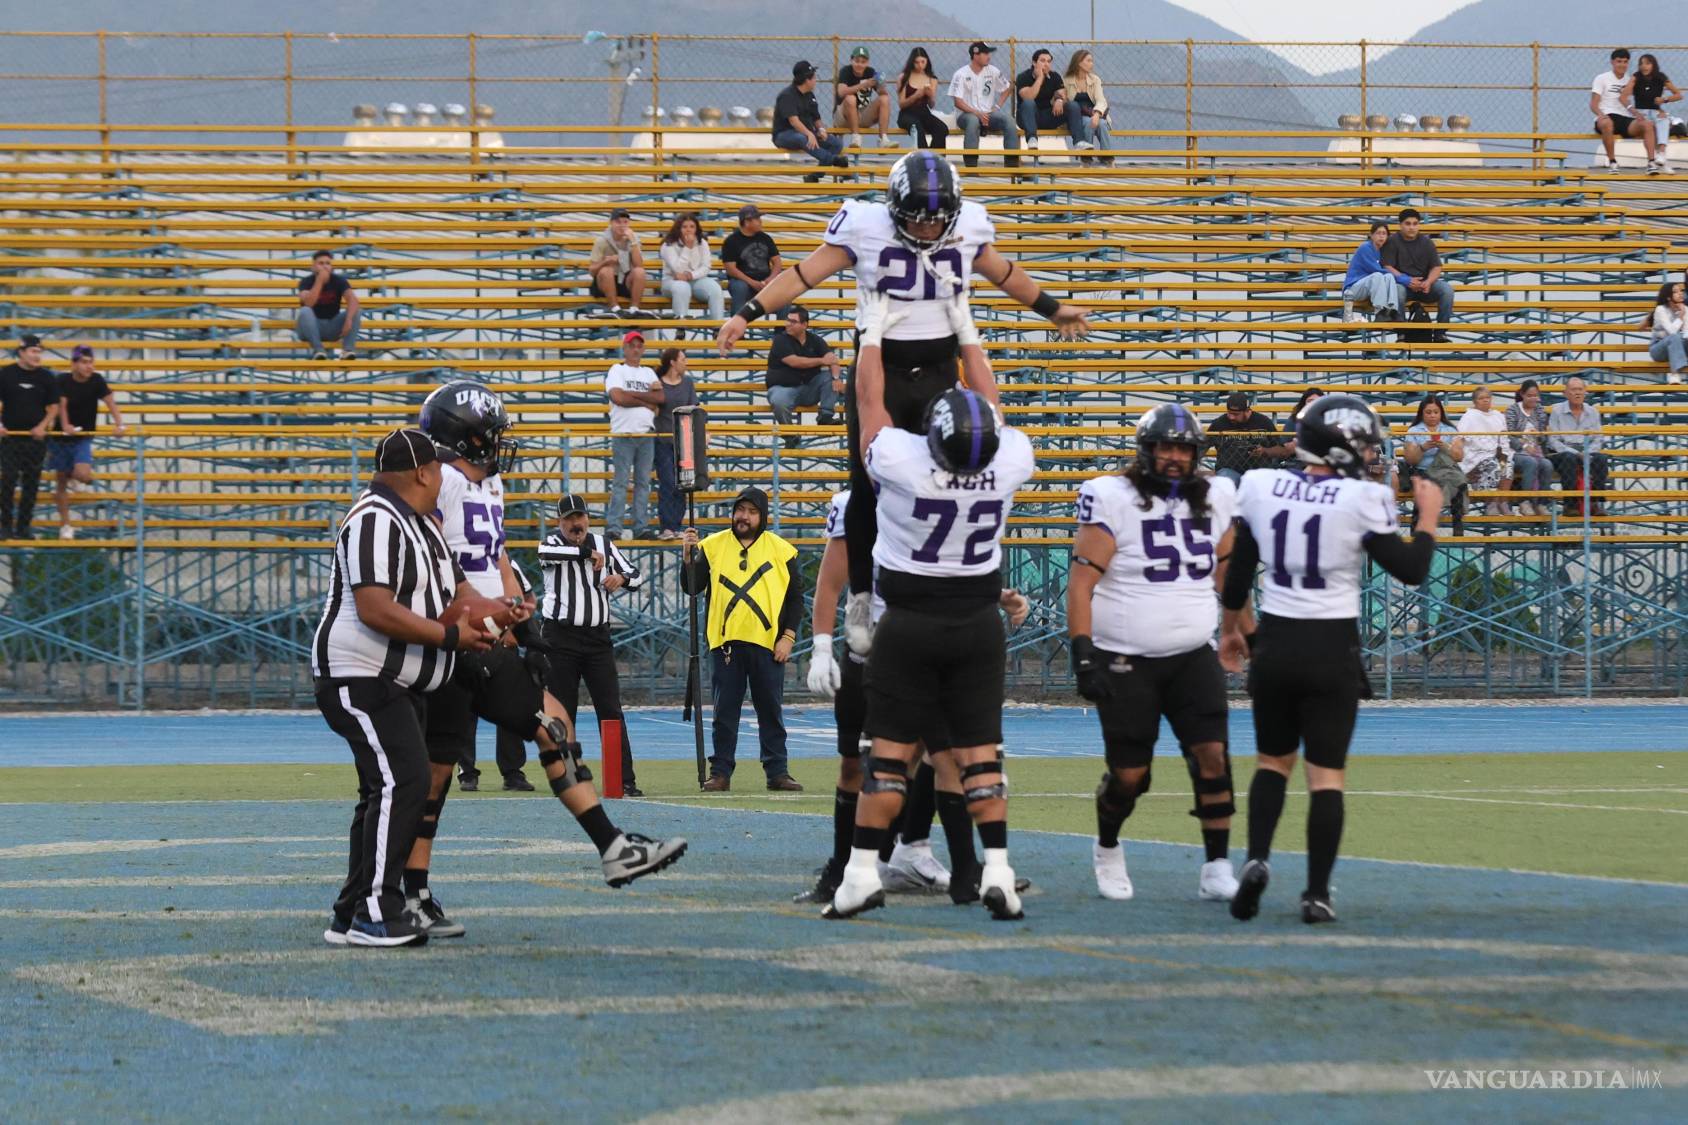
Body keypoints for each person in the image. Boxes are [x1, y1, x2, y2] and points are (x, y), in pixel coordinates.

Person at [715, 151, 1087, 656]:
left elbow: (1004, 272)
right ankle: (864, 595)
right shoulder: (865, 224)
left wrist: (1052, 308)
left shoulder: (970, 224)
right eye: (916, 217)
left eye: (937, 220)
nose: (928, 230)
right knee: (869, 485)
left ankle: (958, 587)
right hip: (881, 366)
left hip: (939, 369)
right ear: (894, 208)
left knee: (952, 474)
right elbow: (804, 274)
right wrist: (748, 312)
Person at [402, 385, 685, 940]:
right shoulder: (443, 481)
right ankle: (611, 845)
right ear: (465, 435)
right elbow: (436, 559)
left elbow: (498, 556)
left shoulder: (489, 482)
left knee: (480, 753)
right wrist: (483, 621)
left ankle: (414, 891)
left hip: (485, 633)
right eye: (491, 433)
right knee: (468, 760)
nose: (499, 444)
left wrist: (522, 626)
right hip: (460, 635)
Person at [1220, 395, 1442, 925]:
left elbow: (1237, 575)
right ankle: (1316, 893)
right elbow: (1409, 568)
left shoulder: (1261, 487)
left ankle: (1255, 860)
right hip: (1331, 648)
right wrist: (1428, 516)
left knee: (1273, 763)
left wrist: (1231, 630)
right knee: (1326, 777)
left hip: (1275, 643)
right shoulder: (1362, 498)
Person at [825, 388, 1037, 922]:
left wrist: (872, 337)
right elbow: (833, 580)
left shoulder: (894, 465)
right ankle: (983, 868)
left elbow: (874, 409)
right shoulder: (1002, 461)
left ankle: (885, 866)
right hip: (938, 625)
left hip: (903, 627)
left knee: (907, 758)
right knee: (962, 758)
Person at [312, 428, 493, 947]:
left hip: (393, 678)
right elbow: (375, 607)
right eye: (440, 467)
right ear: (422, 473)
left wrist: (504, 615)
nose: (446, 476)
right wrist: (449, 636)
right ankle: (376, 910)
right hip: (359, 673)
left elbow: (458, 597)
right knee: (404, 782)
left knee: (385, 789)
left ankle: (351, 911)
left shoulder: (421, 526)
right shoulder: (374, 517)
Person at [1068, 404, 1245, 904]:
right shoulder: (1112, 496)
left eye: (1182, 449)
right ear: (1146, 451)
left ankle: (1216, 864)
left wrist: (1242, 634)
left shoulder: (1216, 496)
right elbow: (1082, 583)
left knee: (1213, 757)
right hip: (1125, 657)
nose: (1172, 457)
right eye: (1164, 447)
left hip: (1192, 654)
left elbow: (1228, 575)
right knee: (1130, 775)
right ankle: (1107, 846)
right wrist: (1083, 653)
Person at [796, 488, 993, 906]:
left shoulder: (941, 491)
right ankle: (843, 867)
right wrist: (821, 647)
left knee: (944, 756)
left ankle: (951, 865)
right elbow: (830, 583)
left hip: (925, 650)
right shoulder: (855, 503)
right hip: (870, 651)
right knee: (855, 763)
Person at [679, 487, 805, 793]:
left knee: (770, 712)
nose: (743, 517)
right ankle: (720, 772)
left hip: (768, 644)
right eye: (740, 510)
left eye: (751, 511)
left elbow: (795, 599)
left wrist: (787, 637)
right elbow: (692, 587)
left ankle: (777, 771)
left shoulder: (782, 550)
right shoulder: (711, 546)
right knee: (724, 714)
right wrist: (687, 557)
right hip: (725, 644)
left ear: (761, 516)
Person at [539, 492, 645, 798]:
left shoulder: (604, 545)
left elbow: (636, 575)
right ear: (559, 522)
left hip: (597, 639)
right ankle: (568, 779)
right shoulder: (552, 544)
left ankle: (624, 779)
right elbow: (546, 554)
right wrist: (587, 554)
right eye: (569, 519)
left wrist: (620, 580)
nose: (576, 523)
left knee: (610, 710)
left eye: (580, 517)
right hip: (560, 638)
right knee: (562, 713)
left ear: (588, 519)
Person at [49, 346, 124, 541]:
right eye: (84, 362)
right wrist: (65, 425)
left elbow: (111, 402)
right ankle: (66, 524)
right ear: (73, 364)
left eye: (90, 362)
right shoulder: (63, 380)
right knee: (61, 483)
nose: (89, 366)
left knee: (82, 474)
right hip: (60, 437)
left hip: (83, 436)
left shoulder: (97, 380)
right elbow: (62, 405)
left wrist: (119, 424)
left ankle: (76, 474)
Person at [604, 330, 664, 540]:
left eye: (639, 345)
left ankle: (640, 526)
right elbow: (617, 397)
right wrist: (646, 401)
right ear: (625, 348)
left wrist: (636, 396)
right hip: (623, 433)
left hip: (646, 435)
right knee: (621, 482)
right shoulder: (616, 369)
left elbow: (661, 397)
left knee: (642, 483)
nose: (636, 349)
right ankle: (614, 526)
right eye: (632, 345)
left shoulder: (648, 372)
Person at [0, 334, 59, 541]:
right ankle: (5, 526)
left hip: (35, 440)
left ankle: (24, 528)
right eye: (34, 351)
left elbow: (54, 407)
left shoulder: (46, 377)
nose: (37, 356)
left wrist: (42, 426)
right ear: (22, 352)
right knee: (7, 480)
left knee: (31, 485)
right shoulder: (6, 374)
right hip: (11, 438)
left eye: (39, 352)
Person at [766, 305, 843, 445]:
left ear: (804, 325)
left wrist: (836, 378)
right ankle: (790, 436)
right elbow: (795, 362)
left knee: (831, 377)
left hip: (808, 388)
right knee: (778, 399)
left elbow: (833, 360)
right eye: (787, 320)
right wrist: (822, 360)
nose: (787, 324)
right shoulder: (780, 340)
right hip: (784, 389)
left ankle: (825, 417)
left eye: (793, 321)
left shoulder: (815, 340)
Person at [1380, 208, 1454, 341]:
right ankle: (1401, 332)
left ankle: (1440, 333)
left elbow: (1437, 267)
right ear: (1400, 225)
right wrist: (1406, 280)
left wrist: (1429, 282)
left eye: (1415, 224)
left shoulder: (1427, 243)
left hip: (1424, 286)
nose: (1412, 227)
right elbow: (1387, 266)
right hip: (1403, 285)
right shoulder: (1392, 241)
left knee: (1447, 290)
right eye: (1407, 224)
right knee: (1397, 290)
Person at [1403, 395, 1469, 534]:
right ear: (1422, 413)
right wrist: (1423, 448)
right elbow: (1410, 460)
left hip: (1446, 469)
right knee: (1426, 487)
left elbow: (1459, 457)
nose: (1432, 416)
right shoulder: (1414, 431)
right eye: (1428, 412)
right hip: (1423, 470)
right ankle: (1416, 531)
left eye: (1436, 412)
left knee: (1457, 481)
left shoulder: (1450, 430)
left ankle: (1457, 523)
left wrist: (1446, 447)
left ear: (1441, 413)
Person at [650, 347, 698, 540]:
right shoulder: (658, 383)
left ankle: (676, 524)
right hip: (663, 439)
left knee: (682, 483)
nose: (685, 363)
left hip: (683, 440)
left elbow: (694, 407)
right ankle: (666, 526)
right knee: (668, 482)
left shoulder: (687, 383)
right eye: (683, 359)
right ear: (673, 362)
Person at [949, 41, 1020, 170]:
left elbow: (1008, 87)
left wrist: (997, 107)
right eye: (985, 53)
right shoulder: (961, 74)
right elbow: (957, 102)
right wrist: (977, 113)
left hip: (988, 114)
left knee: (1009, 121)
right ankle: (971, 166)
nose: (989, 56)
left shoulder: (993, 71)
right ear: (975, 55)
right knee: (972, 121)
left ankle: (1012, 165)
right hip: (966, 115)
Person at [773, 60, 848, 179]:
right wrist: (809, 134)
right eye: (814, 77)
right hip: (784, 135)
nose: (816, 80)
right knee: (801, 137)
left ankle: (815, 176)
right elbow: (794, 121)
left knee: (835, 143)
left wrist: (821, 129)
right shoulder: (787, 96)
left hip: (806, 134)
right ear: (807, 80)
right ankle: (832, 159)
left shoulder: (809, 95)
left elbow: (816, 118)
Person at [1547, 376, 1608, 516]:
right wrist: (1575, 453)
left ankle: (1595, 503)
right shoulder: (1557, 411)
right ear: (1566, 393)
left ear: (1585, 392)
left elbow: (1599, 438)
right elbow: (1553, 440)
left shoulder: (1593, 412)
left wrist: (1587, 452)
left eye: (1580, 389)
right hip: (1563, 452)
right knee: (1569, 458)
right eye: (1573, 389)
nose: (1577, 393)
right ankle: (1570, 505)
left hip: (1587, 449)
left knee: (1601, 459)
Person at [1592, 48, 1657, 172]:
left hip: (1624, 118)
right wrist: (1601, 114)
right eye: (1619, 61)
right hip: (1606, 116)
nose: (1622, 65)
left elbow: (1637, 99)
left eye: (1625, 62)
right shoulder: (1602, 78)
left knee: (1647, 124)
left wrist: (1640, 113)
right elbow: (1593, 103)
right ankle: (1612, 162)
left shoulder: (1630, 79)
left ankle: (1651, 163)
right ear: (1612, 62)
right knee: (1607, 123)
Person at [658, 212, 725, 326]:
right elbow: (678, 269)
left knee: (715, 289)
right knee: (682, 287)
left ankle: (718, 327)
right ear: (678, 228)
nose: (688, 230)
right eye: (684, 227)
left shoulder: (702, 243)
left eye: (692, 227)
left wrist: (691, 275)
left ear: (696, 229)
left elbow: (706, 266)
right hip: (672, 281)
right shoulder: (668, 245)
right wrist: (688, 248)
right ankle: (681, 325)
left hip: (696, 280)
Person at [1205, 391, 1287, 483]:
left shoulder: (1263, 422)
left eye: (1236, 414)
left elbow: (1281, 450)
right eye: (1229, 413)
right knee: (1225, 481)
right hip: (1228, 470)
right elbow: (1202, 446)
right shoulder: (1219, 424)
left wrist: (1264, 451)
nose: (1231, 417)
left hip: (1258, 471)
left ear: (1247, 411)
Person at [1015, 49, 1087, 152]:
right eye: (1043, 61)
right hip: (1027, 118)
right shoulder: (1023, 77)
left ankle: (1079, 142)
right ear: (1034, 63)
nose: (1046, 64)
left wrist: (1059, 100)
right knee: (1028, 103)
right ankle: (1032, 139)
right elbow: (1028, 97)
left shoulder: (1055, 76)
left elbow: (1062, 94)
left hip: (1048, 116)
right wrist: (1040, 78)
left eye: (1049, 61)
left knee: (1072, 105)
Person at [1457, 385, 1513, 517]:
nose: (1485, 400)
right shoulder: (1469, 416)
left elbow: (1503, 439)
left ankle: (1503, 502)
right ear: (1475, 401)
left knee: (1508, 466)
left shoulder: (1498, 415)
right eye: (1481, 398)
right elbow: (1461, 438)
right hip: (1476, 455)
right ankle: (1491, 503)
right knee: (1492, 465)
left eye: (1488, 397)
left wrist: (1504, 455)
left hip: (1495, 453)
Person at [295, 249, 361, 361]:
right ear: (314, 267)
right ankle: (318, 350)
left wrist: (349, 320)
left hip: (332, 326)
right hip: (310, 329)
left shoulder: (338, 281)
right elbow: (308, 303)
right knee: (305, 311)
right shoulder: (306, 282)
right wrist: (319, 281)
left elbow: (353, 300)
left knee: (355, 310)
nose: (325, 266)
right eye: (321, 263)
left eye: (328, 263)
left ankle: (347, 350)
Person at [1505, 379, 1555, 518]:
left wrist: (1538, 435)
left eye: (1535, 395)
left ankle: (1542, 503)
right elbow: (1509, 436)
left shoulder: (1539, 410)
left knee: (1547, 465)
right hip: (1516, 451)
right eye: (1530, 395)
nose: (1533, 399)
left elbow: (1544, 436)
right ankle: (1525, 501)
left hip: (1536, 450)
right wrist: (1525, 446)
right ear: (1522, 394)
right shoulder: (1513, 410)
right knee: (1530, 462)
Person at [721, 205, 784, 314]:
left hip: (764, 281)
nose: (760, 222)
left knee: (785, 292)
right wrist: (753, 283)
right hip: (743, 282)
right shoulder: (731, 241)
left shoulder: (765, 238)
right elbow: (731, 269)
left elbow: (777, 262)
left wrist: (770, 279)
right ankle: (736, 328)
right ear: (746, 222)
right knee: (740, 288)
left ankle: (782, 330)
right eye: (757, 219)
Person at [1625, 53, 1681, 174]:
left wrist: (1664, 100)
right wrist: (1633, 110)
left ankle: (1661, 154)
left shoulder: (1660, 77)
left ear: (1653, 65)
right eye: (1641, 64)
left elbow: (1678, 95)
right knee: (1650, 125)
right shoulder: (1636, 77)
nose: (1644, 66)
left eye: (1647, 63)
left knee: (1663, 119)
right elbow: (1624, 96)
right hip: (1641, 112)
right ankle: (1659, 161)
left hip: (1656, 111)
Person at [587, 207, 647, 315]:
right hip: (604, 282)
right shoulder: (602, 241)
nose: (622, 225)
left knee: (640, 272)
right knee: (607, 270)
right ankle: (614, 307)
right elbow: (591, 271)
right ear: (611, 223)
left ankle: (635, 308)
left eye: (625, 222)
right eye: (618, 222)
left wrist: (633, 243)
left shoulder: (633, 239)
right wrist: (605, 261)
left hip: (624, 279)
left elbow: (639, 265)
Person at [1342, 220, 1402, 322]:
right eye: (1378, 233)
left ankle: (1392, 310)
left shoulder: (1385, 251)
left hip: (1370, 288)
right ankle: (1379, 312)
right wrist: (1402, 278)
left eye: (1384, 234)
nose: (1381, 236)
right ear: (1371, 235)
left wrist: (1396, 275)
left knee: (1389, 276)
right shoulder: (1365, 247)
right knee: (1378, 275)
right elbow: (1376, 269)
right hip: (1353, 289)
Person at [1062, 50, 1114, 162]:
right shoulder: (1067, 81)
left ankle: (1107, 156)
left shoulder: (1095, 80)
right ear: (1079, 63)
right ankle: (1087, 157)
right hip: (1077, 117)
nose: (1092, 64)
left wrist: (1096, 114)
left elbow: (1101, 100)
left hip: (1094, 113)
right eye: (1089, 61)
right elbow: (1062, 99)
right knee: (1087, 123)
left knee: (1102, 123)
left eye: (1092, 61)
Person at [834, 46, 891, 148]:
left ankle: (883, 138)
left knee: (884, 99)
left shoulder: (870, 72)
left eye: (863, 62)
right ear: (851, 60)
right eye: (857, 61)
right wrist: (863, 85)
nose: (859, 64)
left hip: (862, 114)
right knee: (850, 98)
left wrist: (881, 86)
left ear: (867, 62)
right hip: (844, 115)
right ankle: (855, 137)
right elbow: (841, 92)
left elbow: (883, 94)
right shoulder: (845, 71)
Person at [896, 47, 948, 150]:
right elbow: (901, 104)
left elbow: (931, 105)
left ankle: (934, 157)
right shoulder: (904, 77)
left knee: (942, 129)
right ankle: (924, 157)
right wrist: (916, 96)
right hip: (907, 113)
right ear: (912, 62)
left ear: (927, 61)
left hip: (924, 112)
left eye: (923, 62)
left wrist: (930, 96)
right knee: (917, 127)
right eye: (917, 62)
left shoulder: (932, 78)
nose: (920, 65)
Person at [1647, 279, 1687, 383]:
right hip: (1659, 349)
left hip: (1678, 347)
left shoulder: (1685, 309)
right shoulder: (1661, 310)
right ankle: (1674, 374)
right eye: (1676, 292)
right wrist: (1681, 315)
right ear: (1669, 297)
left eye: (1681, 291)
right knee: (1674, 337)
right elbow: (1672, 332)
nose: (1680, 293)